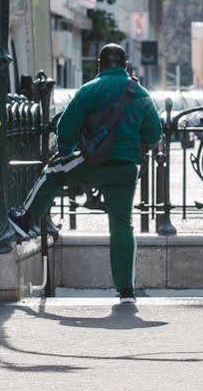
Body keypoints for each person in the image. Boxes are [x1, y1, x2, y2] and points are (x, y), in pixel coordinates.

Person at [19, 44, 162, 301]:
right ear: (125, 65)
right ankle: (126, 290)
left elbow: (66, 129)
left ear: (100, 65)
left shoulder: (89, 90)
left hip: (92, 165)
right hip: (126, 169)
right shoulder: (140, 93)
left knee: (53, 172)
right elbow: (154, 134)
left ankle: (26, 220)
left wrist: (66, 151)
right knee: (121, 225)